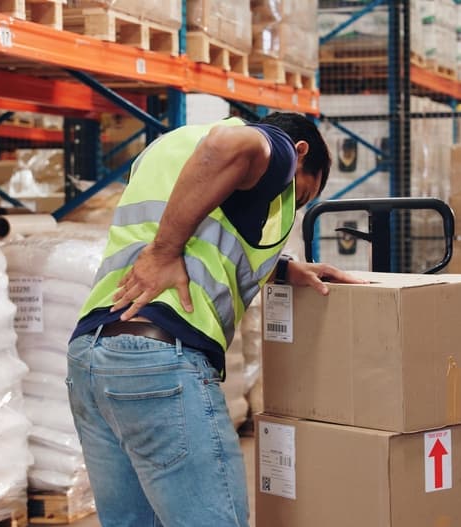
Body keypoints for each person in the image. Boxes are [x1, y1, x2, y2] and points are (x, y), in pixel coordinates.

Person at [66, 112, 360, 526]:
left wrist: (282, 269)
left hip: (90, 358)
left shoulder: (167, 147)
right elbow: (228, 148)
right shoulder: (274, 147)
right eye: (301, 193)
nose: (289, 204)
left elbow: (210, 227)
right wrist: (164, 252)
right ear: (300, 154)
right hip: (156, 359)